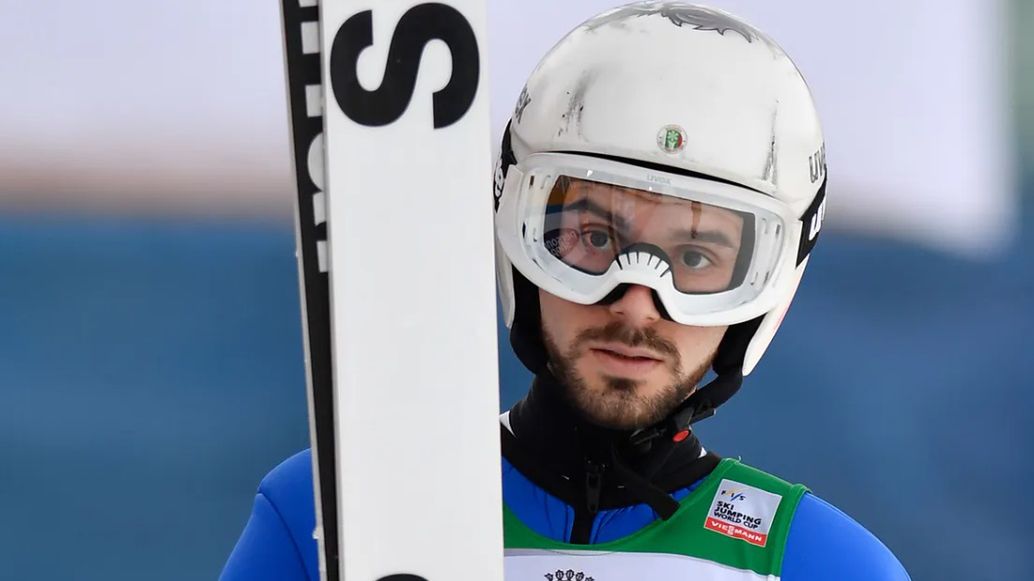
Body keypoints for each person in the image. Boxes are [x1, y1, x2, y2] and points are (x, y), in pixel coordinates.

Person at [222, 3, 909, 579]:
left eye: (696, 256)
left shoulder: (826, 565)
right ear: (520, 239)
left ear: (765, 288)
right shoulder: (326, 511)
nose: (637, 301)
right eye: (596, 239)